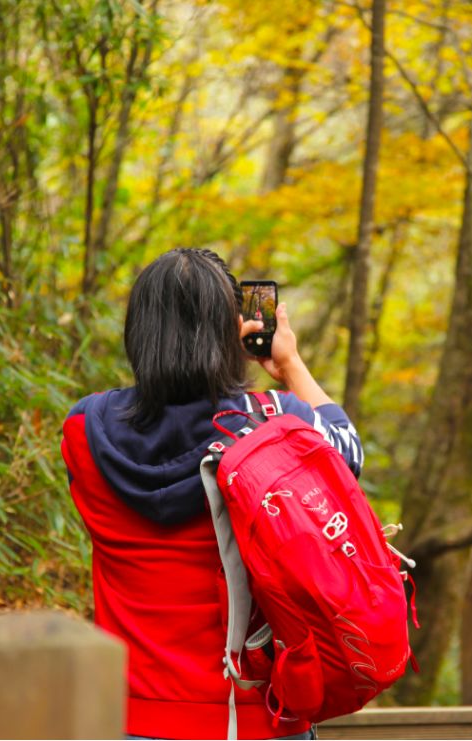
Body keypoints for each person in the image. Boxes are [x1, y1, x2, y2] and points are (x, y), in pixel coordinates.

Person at [61, 248, 363, 739]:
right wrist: (287, 364)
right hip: (253, 720)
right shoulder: (275, 423)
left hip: (129, 717)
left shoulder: (84, 430)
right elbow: (348, 452)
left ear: (139, 333)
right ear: (231, 332)